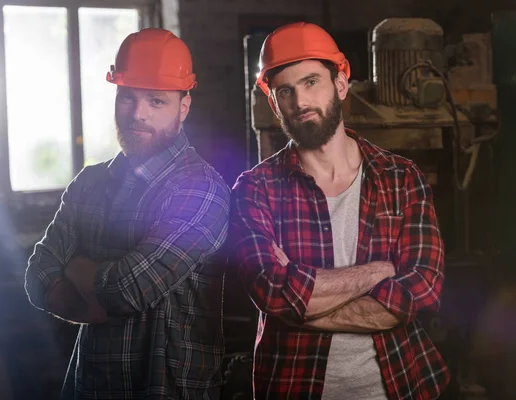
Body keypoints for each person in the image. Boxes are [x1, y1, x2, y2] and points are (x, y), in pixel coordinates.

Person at [229, 22, 449, 399]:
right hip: (294, 385)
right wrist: (380, 272)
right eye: (286, 91)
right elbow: (272, 292)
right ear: (274, 102)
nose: (300, 102)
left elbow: (422, 289)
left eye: (312, 82)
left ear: (341, 85)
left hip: (400, 384)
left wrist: (302, 309)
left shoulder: (401, 178)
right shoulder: (255, 189)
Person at [25, 28, 230, 400]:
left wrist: (76, 269)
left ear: (184, 107)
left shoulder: (202, 191)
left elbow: (126, 290)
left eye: (156, 102)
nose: (137, 114)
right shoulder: (89, 183)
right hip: (89, 387)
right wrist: (96, 302)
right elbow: (37, 275)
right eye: (127, 98)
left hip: (168, 390)